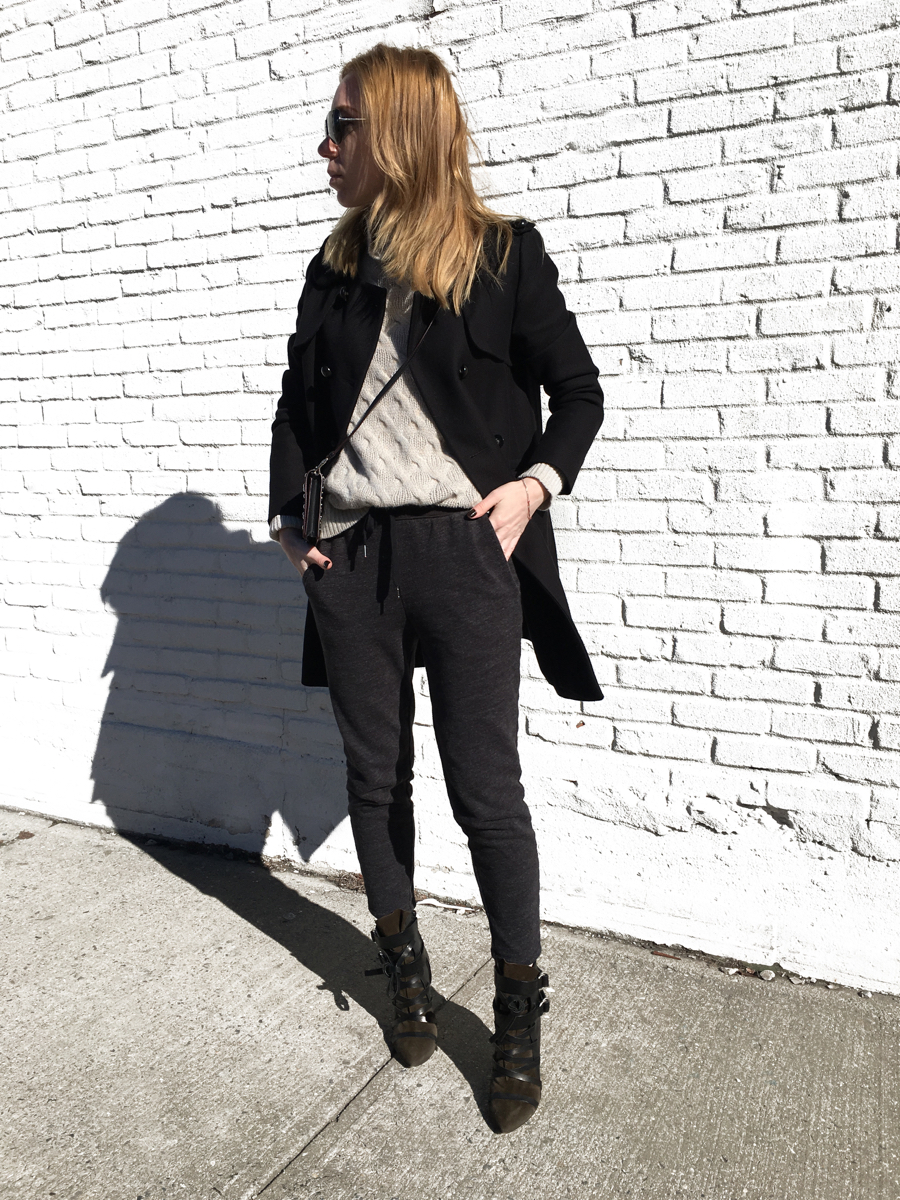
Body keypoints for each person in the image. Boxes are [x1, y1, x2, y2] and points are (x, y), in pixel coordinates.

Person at [268, 44, 604, 1134]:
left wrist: (534, 487)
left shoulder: (501, 256)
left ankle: (515, 1005)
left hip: (464, 559)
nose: (326, 145)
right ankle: (402, 963)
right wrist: (290, 520)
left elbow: (581, 393)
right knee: (377, 779)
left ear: (401, 133)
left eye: (343, 125)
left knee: (485, 793)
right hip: (355, 561)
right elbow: (293, 409)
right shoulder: (333, 268)